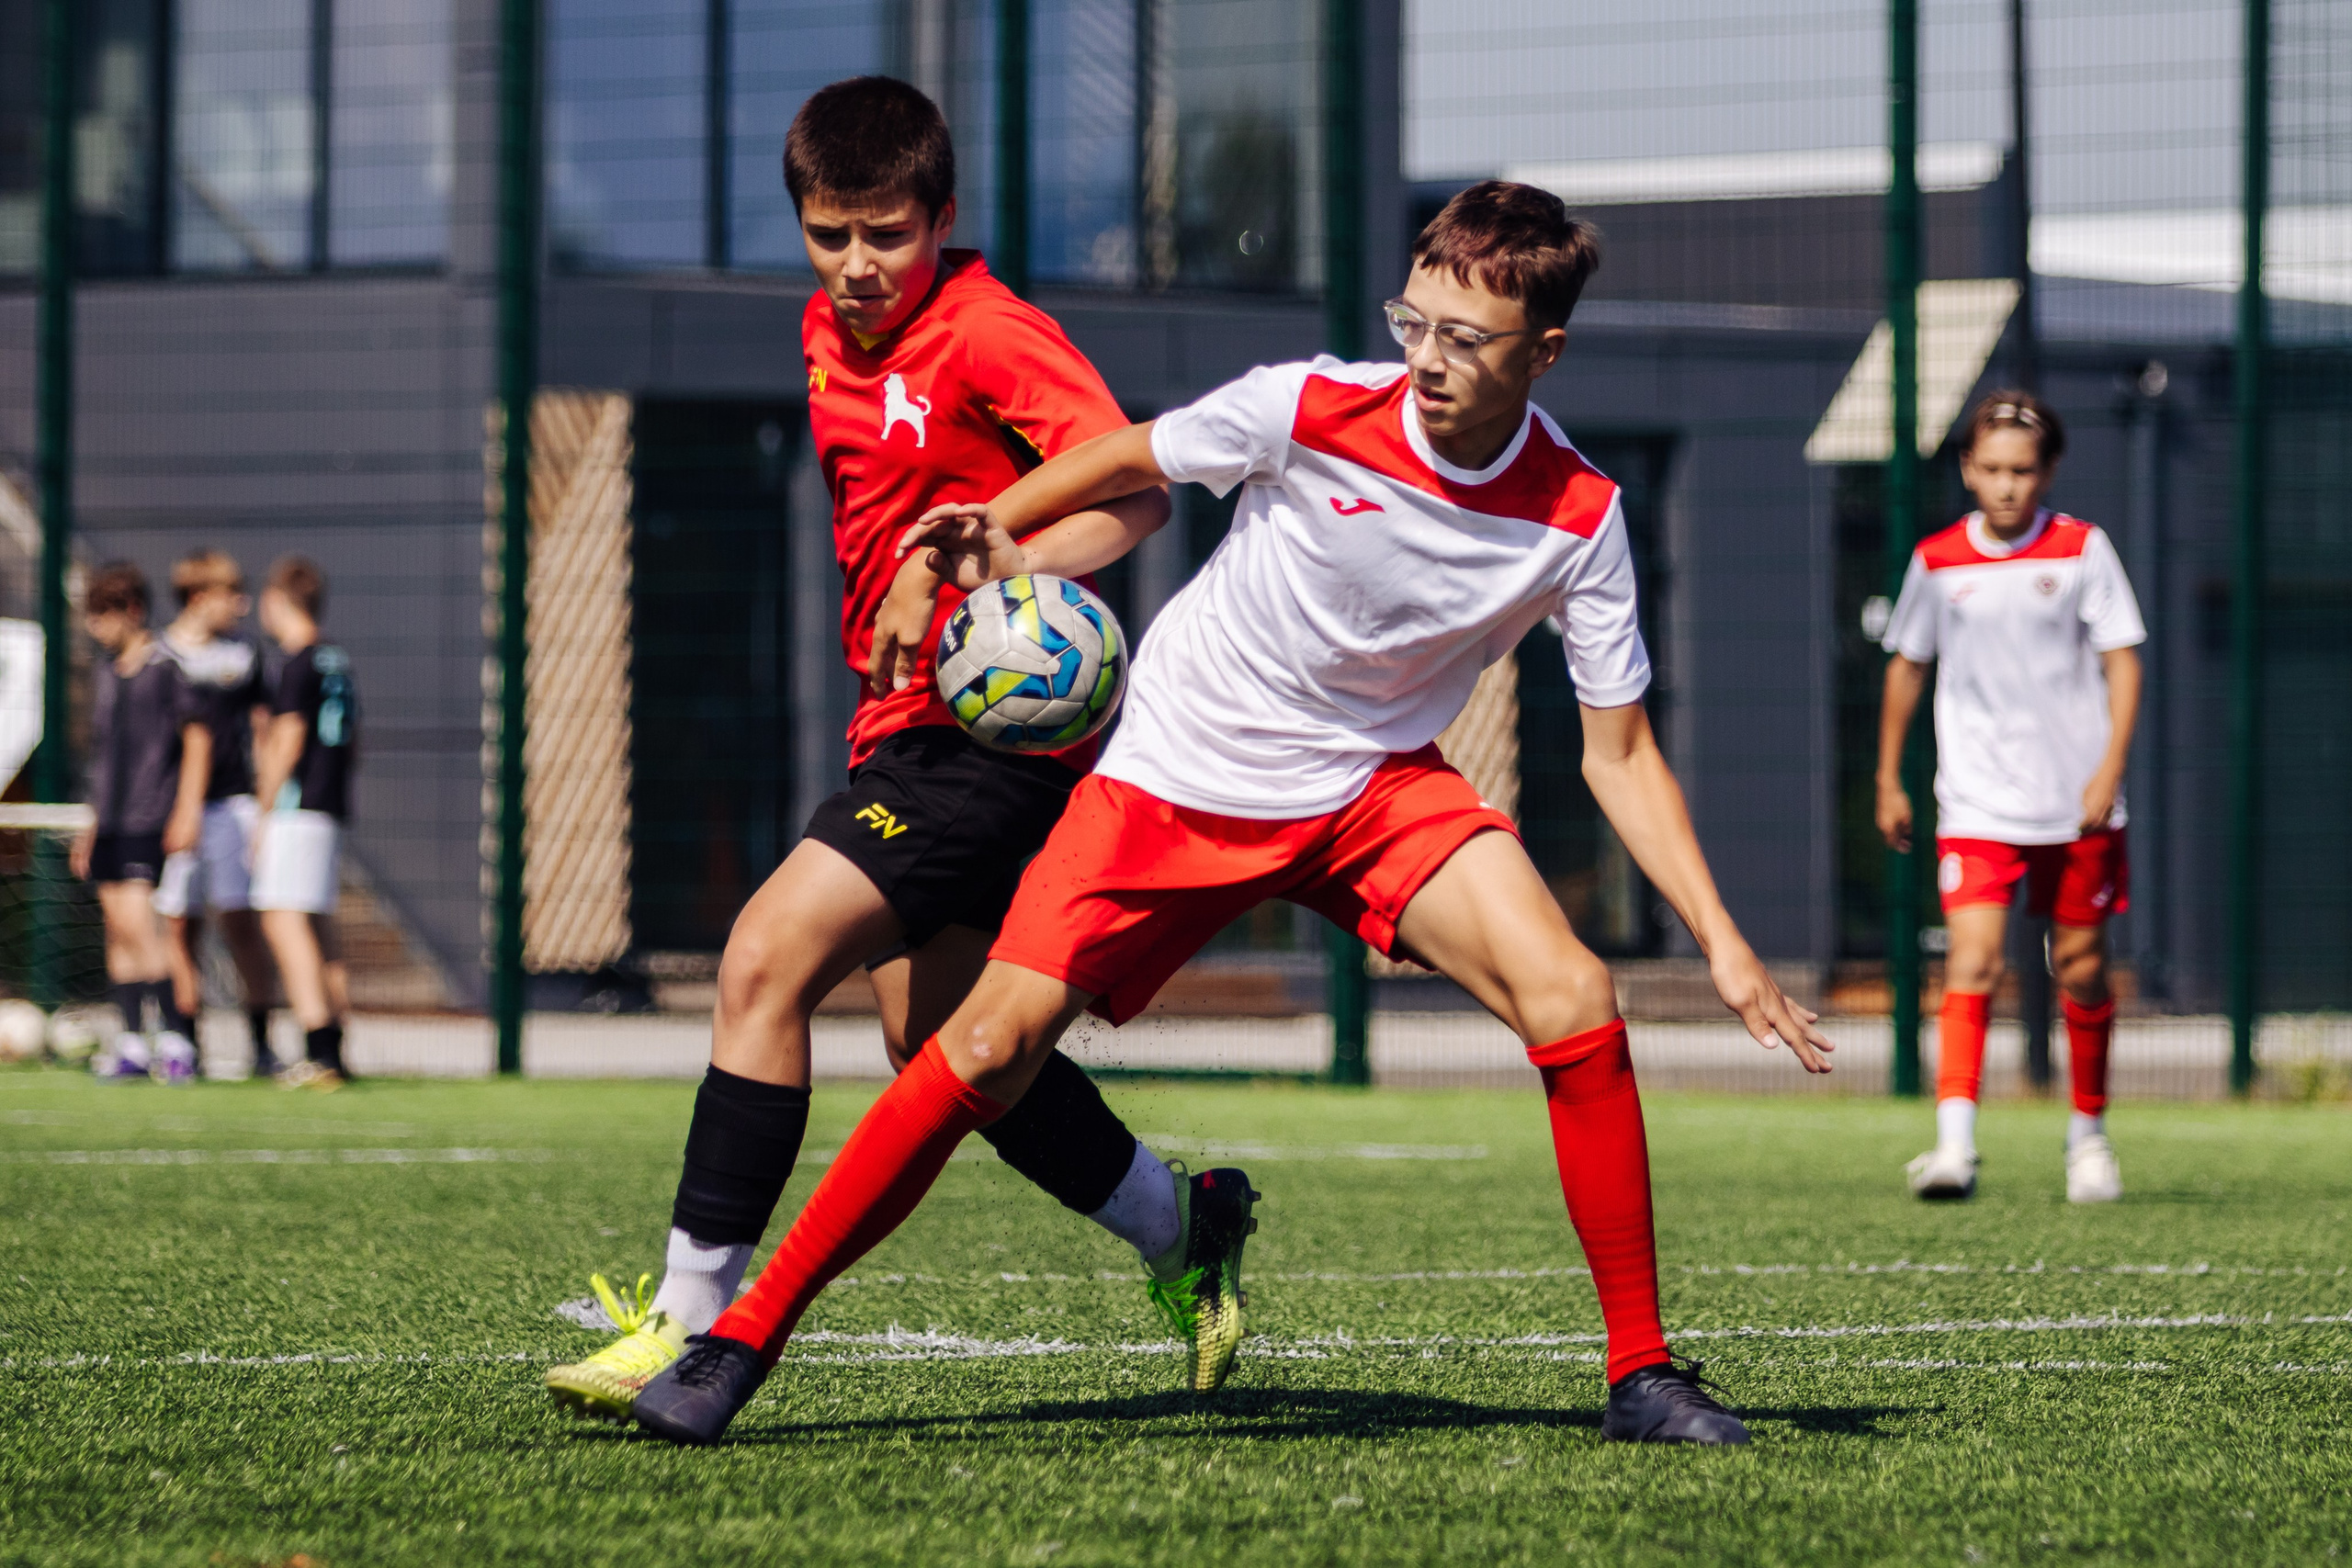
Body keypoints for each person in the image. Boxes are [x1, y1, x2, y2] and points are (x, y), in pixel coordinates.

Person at [632, 180, 1834, 1449]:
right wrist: (995, 525)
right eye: (1414, 321)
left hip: (1375, 787)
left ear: (1545, 352)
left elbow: (1623, 753)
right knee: (982, 1046)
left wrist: (1721, 938)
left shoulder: (1580, 517)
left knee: (1577, 995)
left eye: (1465, 340)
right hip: (1177, 772)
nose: (1426, 358)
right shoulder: (1308, 404)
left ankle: (1642, 1372)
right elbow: (1133, 453)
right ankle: (738, 1337)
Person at [544, 76, 1240, 1424]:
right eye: (829, 234)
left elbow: (1140, 490)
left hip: (983, 739)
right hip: (900, 729)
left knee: (763, 953)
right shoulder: (822, 332)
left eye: (887, 235)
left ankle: (687, 1324)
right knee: (954, 1042)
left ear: (943, 218)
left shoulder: (990, 332)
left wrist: (1004, 569)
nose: (859, 267)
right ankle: (1186, 1223)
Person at [1878, 391, 2144, 1204]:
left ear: (2049, 472)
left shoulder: (2082, 550)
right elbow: (1907, 665)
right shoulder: (1936, 561)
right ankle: (1954, 1144)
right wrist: (1889, 775)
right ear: (1967, 469)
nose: (2006, 486)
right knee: (1973, 959)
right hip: (1977, 803)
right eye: (1991, 469)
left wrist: (2106, 769)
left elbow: (2123, 661)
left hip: (2077, 804)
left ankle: (2088, 1137)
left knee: (2081, 966)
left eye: (2023, 471)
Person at [70, 561, 200, 1083]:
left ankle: (175, 1040)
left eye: (103, 616)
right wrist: (91, 825)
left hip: (151, 817)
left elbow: (197, 740)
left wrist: (187, 809)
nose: (96, 628)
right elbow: (103, 759)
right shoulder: (106, 672)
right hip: (112, 820)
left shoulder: (166, 669)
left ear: (132, 611)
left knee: (143, 927)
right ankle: (130, 1041)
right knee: (116, 931)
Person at [153, 549, 282, 1078]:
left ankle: (262, 1044)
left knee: (242, 924)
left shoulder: (243, 656)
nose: (243, 605)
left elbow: (264, 729)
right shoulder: (161, 657)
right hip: (175, 811)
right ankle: (187, 1045)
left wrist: (267, 810)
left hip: (233, 806)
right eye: (232, 595)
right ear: (201, 598)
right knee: (180, 925)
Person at [250, 556, 356, 1091]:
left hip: (296, 809)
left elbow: (287, 739)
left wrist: (263, 809)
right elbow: (354, 740)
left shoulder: (297, 662)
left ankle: (317, 1051)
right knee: (318, 923)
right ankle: (335, 1047)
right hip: (330, 805)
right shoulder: (337, 660)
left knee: (282, 918)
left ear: (279, 601)